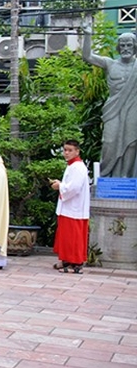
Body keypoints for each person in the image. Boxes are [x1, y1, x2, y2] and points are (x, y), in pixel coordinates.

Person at [81, 30, 137, 178]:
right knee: (109, 141)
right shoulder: (109, 63)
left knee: (131, 142)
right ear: (118, 48)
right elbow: (87, 56)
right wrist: (87, 34)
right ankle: (105, 175)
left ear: (134, 46)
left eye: (129, 45)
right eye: (122, 45)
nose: (126, 48)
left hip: (133, 106)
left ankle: (126, 176)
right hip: (113, 108)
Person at [51, 140, 91, 274]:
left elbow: (74, 188)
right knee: (67, 236)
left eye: (70, 150)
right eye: (65, 150)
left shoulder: (78, 167)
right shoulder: (72, 166)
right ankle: (66, 260)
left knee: (73, 236)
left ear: (77, 151)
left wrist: (60, 186)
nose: (66, 153)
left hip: (74, 208)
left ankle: (76, 262)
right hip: (70, 207)